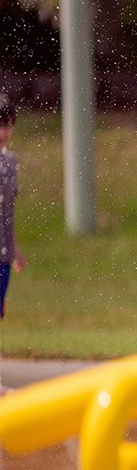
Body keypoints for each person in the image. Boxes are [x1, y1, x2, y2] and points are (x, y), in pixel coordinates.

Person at [0, 93, 26, 329]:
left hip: (4, 253)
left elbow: (8, 212)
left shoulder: (9, 163)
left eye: (8, 125)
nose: (4, 132)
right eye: (0, 125)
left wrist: (15, 249)